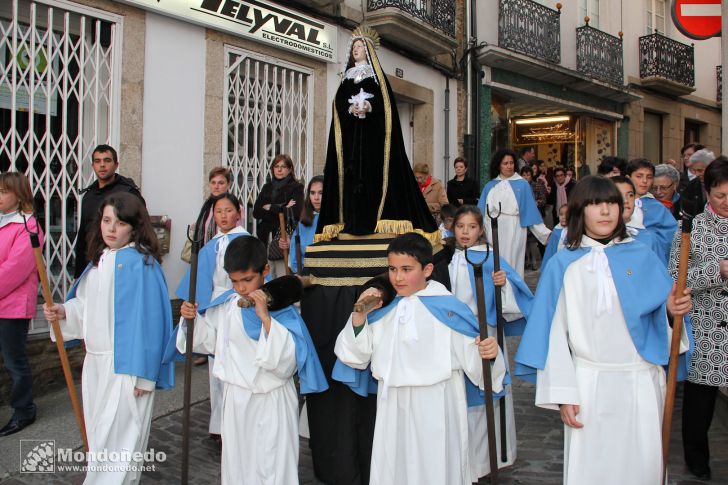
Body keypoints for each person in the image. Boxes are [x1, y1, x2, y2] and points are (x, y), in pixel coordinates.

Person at [514, 175, 693, 485]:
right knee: (594, 470)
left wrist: (670, 310)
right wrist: (563, 394)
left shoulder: (642, 255)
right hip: (589, 383)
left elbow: (660, 313)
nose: (606, 211)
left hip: (640, 378)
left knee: (643, 466)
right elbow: (554, 334)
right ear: (580, 211)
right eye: (596, 204)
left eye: (611, 203)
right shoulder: (563, 264)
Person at [333, 233, 503, 484]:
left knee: (437, 469)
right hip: (393, 405)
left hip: (437, 404)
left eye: (406, 269)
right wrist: (359, 317)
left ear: (428, 269)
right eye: (392, 269)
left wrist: (488, 353)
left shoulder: (448, 308)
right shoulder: (384, 310)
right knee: (395, 469)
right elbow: (356, 356)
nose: (397, 277)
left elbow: (476, 361)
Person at [43, 192, 174, 484]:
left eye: (120, 222)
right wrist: (64, 311)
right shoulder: (99, 262)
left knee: (121, 443)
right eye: (106, 220)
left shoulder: (144, 265)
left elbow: (152, 322)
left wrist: (144, 375)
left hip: (126, 368)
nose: (111, 229)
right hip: (97, 365)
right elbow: (86, 307)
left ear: (135, 226)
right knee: (100, 439)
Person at [175, 236, 327, 485]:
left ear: (265, 270)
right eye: (234, 282)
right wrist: (191, 320)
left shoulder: (282, 310)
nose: (241, 288)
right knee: (238, 466)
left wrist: (265, 318)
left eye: (247, 280)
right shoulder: (228, 305)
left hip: (271, 400)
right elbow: (210, 342)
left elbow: (288, 362)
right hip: (236, 399)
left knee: (271, 468)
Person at [316, 26, 437, 241]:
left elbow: (385, 106)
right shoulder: (345, 80)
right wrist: (349, 109)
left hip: (373, 142)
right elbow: (339, 105)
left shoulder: (376, 79)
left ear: (369, 51)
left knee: (373, 178)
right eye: (354, 46)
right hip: (351, 141)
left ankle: (374, 222)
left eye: (361, 46)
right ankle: (350, 223)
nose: (356, 49)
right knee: (350, 181)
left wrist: (369, 108)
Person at [446, 206, 533, 479]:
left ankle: (485, 462)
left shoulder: (490, 258)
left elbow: (517, 296)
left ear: (481, 229)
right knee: (460, 398)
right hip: (454, 335)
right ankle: (460, 460)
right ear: (453, 228)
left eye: (471, 227)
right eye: (461, 227)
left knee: (487, 395)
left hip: (486, 332)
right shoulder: (445, 258)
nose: (465, 232)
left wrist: (503, 283)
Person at [669, 158, 728, 481]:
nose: (727, 202)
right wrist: (715, 270)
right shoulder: (691, 229)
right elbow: (675, 278)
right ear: (707, 193)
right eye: (720, 195)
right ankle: (697, 460)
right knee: (700, 402)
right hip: (707, 325)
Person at [176, 193, 249, 442]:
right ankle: (218, 422)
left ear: (238, 212)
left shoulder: (246, 241)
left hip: (238, 304)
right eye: (219, 211)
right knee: (215, 364)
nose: (224, 216)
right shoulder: (211, 244)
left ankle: (237, 419)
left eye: (228, 210)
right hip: (215, 308)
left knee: (237, 360)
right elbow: (201, 277)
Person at [0, 173, 40, 436]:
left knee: (14, 361)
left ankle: (24, 409)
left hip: (12, 306)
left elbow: (14, 270)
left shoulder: (28, 226)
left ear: (19, 194)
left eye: (3, 191)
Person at [477, 149, 550, 277]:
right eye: (505, 163)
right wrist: (479, 233)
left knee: (513, 264)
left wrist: (545, 234)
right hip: (493, 228)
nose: (509, 166)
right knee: (495, 264)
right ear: (498, 165)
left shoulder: (522, 185)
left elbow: (530, 213)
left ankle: (513, 295)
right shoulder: (490, 186)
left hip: (514, 227)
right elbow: (480, 213)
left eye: (511, 163)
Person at [74, 145, 144, 278]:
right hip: (91, 263)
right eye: (98, 161)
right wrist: (79, 273)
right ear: (93, 165)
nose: (102, 165)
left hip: (119, 264)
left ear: (116, 164)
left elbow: (141, 229)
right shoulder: (89, 195)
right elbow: (83, 234)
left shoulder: (128, 193)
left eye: (107, 160)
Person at [253, 154, 304, 278]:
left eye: (283, 166)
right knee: (267, 279)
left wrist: (272, 207)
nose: (279, 170)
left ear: (290, 169)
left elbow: (296, 212)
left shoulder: (296, 188)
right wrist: (284, 208)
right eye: (276, 166)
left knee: (283, 277)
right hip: (265, 238)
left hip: (283, 238)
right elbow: (257, 211)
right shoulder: (267, 187)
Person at [626, 158, 678, 265]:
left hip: (651, 261)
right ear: (628, 178)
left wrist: (647, 237)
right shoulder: (616, 203)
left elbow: (672, 236)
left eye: (649, 177)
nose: (644, 181)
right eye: (639, 176)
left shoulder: (658, 207)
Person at [279, 175, 323, 273]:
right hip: (305, 275)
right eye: (312, 193)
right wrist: (288, 243)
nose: (316, 197)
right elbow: (296, 250)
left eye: (321, 193)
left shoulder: (335, 221)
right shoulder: (304, 221)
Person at [612, 176, 659, 256]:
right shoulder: (599, 238)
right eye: (619, 195)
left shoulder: (646, 237)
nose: (626, 201)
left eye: (630, 195)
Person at [541, 204, 568, 269]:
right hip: (557, 262)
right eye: (561, 214)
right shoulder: (556, 231)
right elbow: (550, 250)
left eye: (567, 214)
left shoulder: (574, 230)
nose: (563, 217)